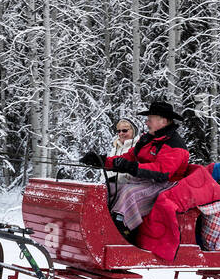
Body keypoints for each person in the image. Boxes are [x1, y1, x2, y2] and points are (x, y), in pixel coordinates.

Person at [81, 101, 191, 240]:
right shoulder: (148, 139)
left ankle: (122, 232)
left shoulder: (175, 144)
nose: (146, 123)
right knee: (109, 188)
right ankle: (96, 222)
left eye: (150, 119)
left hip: (166, 186)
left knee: (129, 193)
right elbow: (129, 157)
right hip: (144, 180)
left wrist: (132, 167)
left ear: (163, 121)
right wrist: (103, 161)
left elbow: (162, 171)